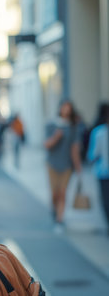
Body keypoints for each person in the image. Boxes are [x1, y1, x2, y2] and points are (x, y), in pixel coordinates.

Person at [44, 100, 82, 231]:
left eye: (69, 108)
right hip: (52, 164)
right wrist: (56, 137)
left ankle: (60, 220)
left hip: (67, 165)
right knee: (55, 193)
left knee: (63, 192)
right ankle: (54, 210)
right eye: (64, 107)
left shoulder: (73, 127)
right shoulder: (51, 124)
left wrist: (78, 166)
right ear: (60, 108)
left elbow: (74, 148)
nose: (66, 110)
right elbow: (46, 145)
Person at [87, 103, 109, 234]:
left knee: (106, 200)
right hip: (103, 172)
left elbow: (93, 154)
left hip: (103, 171)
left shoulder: (99, 132)